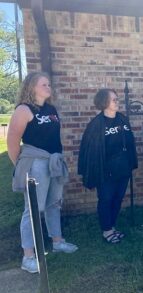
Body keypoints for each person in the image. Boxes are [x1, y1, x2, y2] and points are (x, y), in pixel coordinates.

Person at [7, 72, 78, 274]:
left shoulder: (51, 109)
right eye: (44, 84)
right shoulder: (24, 109)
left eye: (49, 84)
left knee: (54, 203)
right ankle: (28, 256)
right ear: (32, 88)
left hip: (54, 161)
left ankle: (57, 241)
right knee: (33, 209)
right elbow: (12, 141)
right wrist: (20, 165)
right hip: (35, 162)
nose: (49, 87)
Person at [78, 89, 137, 244]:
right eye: (114, 100)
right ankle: (107, 231)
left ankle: (112, 226)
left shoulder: (122, 119)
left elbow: (130, 142)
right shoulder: (96, 125)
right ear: (104, 102)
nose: (117, 102)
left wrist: (130, 162)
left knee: (117, 199)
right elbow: (89, 149)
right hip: (105, 170)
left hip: (122, 168)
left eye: (117, 99)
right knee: (106, 199)